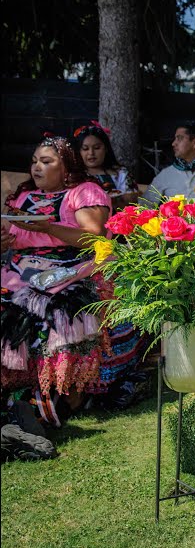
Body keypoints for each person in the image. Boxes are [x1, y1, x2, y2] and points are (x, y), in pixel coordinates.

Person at [1, 136, 113, 427]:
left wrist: (48, 226)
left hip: (73, 267)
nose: (37, 167)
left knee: (58, 309)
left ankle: (60, 392)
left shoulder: (85, 192)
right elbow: (12, 239)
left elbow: (93, 236)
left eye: (47, 161)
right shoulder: (22, 197)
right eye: (35, 161)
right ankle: (18, 390)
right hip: (19, 270)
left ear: (66, 167)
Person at [72, 121, 138, 197]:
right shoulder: (74, 176)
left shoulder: (121, 174)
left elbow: (131, 201)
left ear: (106, 148)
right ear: (79, 151)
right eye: (85, 149)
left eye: (97, 148)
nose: (91, 153)